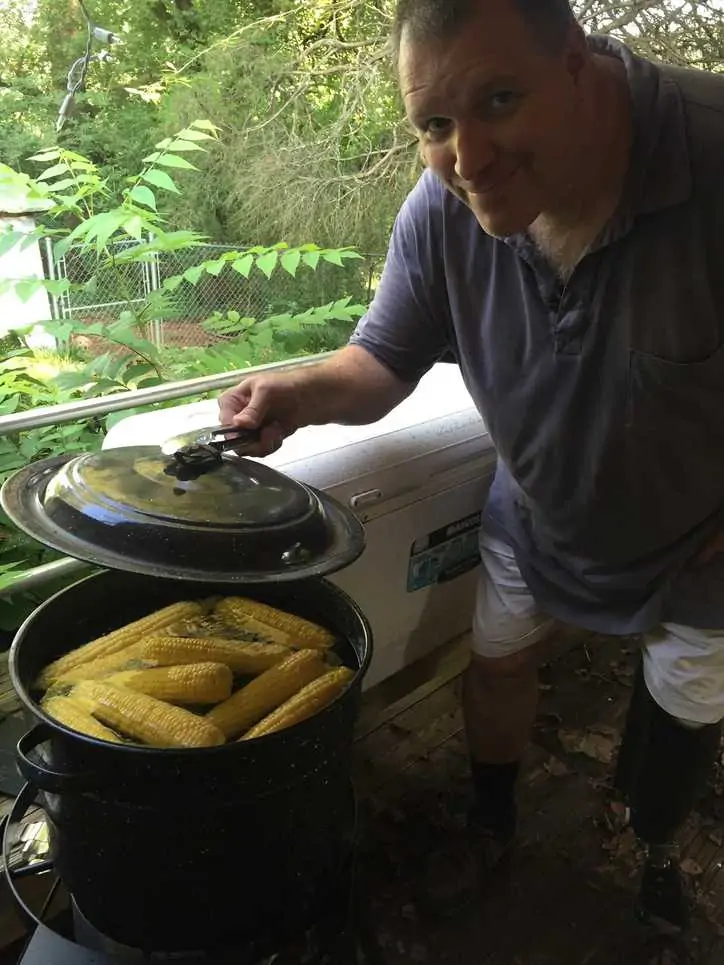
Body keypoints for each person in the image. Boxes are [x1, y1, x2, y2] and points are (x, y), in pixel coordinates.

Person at [220, 0, 724, 934]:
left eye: (498, 100)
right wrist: (295, 392)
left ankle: (655, 843)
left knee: (685, 700)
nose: (469, 159)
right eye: (434, 125)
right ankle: (494, 818)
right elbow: (380, 363)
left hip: (699, 540)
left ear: (576, 64)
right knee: (495, 660)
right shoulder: (443, 209)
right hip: (532, 509)